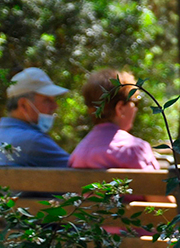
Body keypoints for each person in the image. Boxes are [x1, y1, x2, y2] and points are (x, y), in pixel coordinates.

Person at [68, 69, 168, 202]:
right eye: (134, 101)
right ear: (120, 108)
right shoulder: (134, 149)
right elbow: (163, 205)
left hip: (89, 223)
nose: (136, 108)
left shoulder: (78, 153)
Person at [0, 67, 71, 167]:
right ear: (23, 105)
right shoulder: (33, 140)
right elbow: (84, 176)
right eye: (47, 100)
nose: (55, 106)